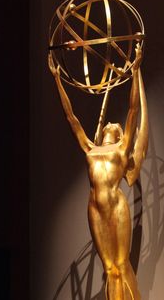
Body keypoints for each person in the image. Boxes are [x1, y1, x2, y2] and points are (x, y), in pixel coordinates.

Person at [49, 44, 148, 300]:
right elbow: (71, 117)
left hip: (116, 205)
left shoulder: (123, 147)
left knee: (121, 267)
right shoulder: (89, 149)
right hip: (94, 208)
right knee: (109, 268)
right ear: (103, 130)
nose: (112, 124)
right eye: (109, 124)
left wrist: (135, 71)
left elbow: (133, 110)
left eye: (116, 125)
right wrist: (57, 79)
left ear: (118, 133)